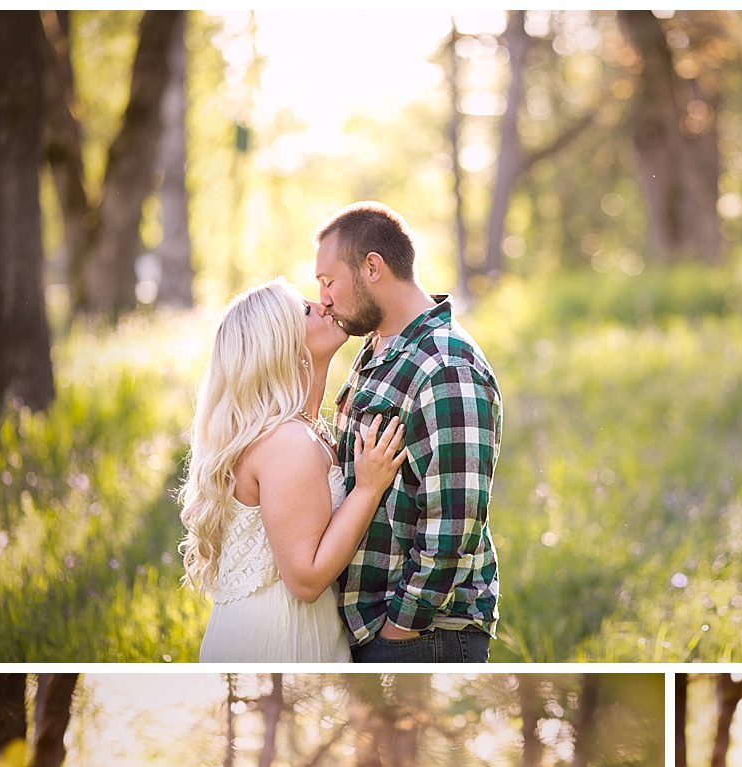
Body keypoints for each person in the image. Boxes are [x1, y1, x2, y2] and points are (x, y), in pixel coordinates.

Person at [180, 277, 407, 662]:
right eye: (304, 310)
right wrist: (368, 490)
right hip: (277, 639)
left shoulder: (300, 431)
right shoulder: (288, 442)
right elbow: (305, 579)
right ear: (282, 345)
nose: (323, 305)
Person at [314, 201, 502, 663]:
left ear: (372, 267)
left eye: (328, 281)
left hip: (423, 635)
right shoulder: (379, 348)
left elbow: (455, 520)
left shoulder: (447, 366)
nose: (324, 298)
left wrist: (400, 628)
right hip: (376, 627)